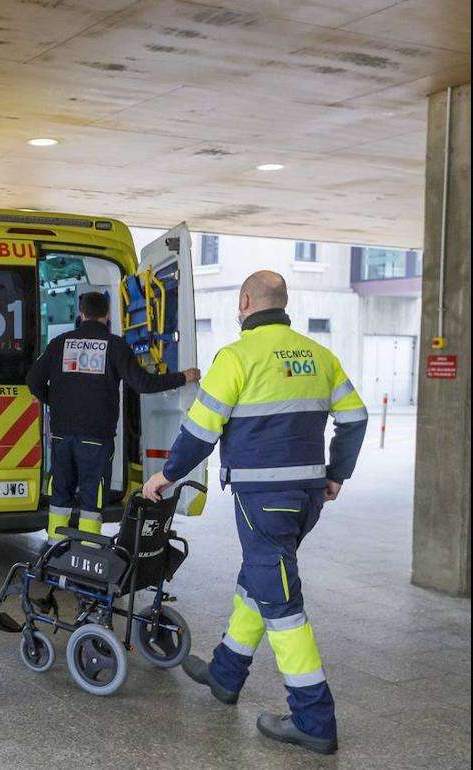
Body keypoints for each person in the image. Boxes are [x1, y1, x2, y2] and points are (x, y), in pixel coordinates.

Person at [143, 271, 367, 755]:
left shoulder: (237, 357)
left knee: (283, 606)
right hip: (305, 497)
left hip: (262, 498)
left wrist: (166, 475)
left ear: (244, 302)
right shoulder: (319, 355)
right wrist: (336, 473)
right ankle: (225, 674)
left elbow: (201, 430)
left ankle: (313, 720)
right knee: (260, 580)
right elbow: (354, 417)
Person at [26, 291, 198, 549]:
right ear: (107, 315)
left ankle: (55, 550)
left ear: (81, 314)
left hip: (61, 435)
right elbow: (142, 383)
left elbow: (33, 380)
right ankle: (86, 553)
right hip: (96, 438)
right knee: (91, 497)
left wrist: (55, 400)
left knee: (60, 493)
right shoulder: (114, 345)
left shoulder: (60, 343)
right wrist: (182, 377)